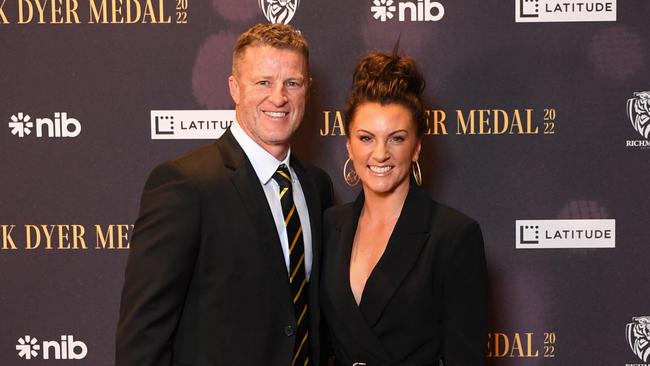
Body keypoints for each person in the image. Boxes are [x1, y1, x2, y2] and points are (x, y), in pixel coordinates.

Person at [116, 23, 333, 366]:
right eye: (263, 82)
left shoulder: (316, 185)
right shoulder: (185, 184)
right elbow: (144, 333)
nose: (279, 97)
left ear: (308, 89)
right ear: (234, 88)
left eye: (292, 83)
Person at [320, 51, 487, 366]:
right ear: (348, 145)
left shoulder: (452, 235)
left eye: (396, 138)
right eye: (366, 138)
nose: (380, 154)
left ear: (417, 147)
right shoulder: (329, 226)